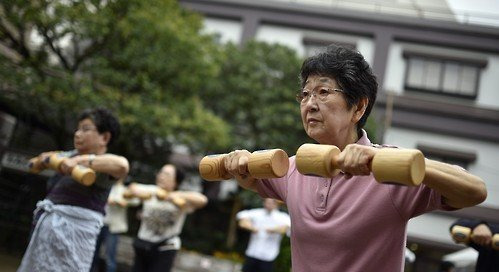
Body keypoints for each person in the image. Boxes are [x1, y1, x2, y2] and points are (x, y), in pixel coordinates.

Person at [223, 44, 487, 272]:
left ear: (358, 107)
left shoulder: (390, 170)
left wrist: (390, 160)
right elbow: (252, 179)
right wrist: (240, 162)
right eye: (305, 94)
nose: (310, 103)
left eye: (323, 92)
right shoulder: (294, 168)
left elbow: (474, 191)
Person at [18, 107, 129, 272]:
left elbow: (122, 165)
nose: (78, 134)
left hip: (75, 237)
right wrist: (47, 160)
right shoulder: (67, 156)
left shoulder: (103, 164)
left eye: (85, 129)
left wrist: (80, 161)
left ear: (104, 137)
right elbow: (33, 163)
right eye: (78, 129)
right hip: (47, 229)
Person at [128, 164, 208, 272]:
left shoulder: (180, 198)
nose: (161, 176)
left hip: (165, 247)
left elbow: (202, 200)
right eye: (161, 172)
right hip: (143, 245)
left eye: (167, 174)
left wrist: (172, 196)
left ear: (176, 181)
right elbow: (132, 187)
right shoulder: (152, 191)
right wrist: (139, 192)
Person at [91, 179, 137, 272]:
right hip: (100, 224)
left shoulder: (125, 189)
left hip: (113, 228)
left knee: (110, 257)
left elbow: (135, 201)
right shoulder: (106, 186)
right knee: (93, 254)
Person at [236, 198, 291, 272]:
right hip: (252, 253)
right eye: (267, 202)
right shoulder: (257, 213)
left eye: (271, 203)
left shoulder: (283, 217)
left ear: (276, 204)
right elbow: (241, 215)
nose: (269, 205)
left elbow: (287, 228)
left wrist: (274, 230)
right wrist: (251, 227)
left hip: (268, 256)